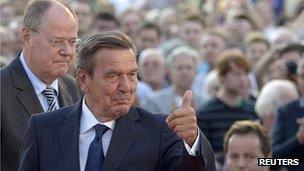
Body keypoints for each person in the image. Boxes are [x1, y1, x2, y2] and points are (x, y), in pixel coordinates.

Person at [18, 31, 216, 171]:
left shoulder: (159, 131)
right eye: (113, 76)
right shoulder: (43, 129)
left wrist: (192, 141)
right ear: (83, 79)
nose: (126, 86)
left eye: (132, 75)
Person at [0, 1, 81, 170]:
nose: (67, 51)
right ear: (27, 36)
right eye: (57, 41)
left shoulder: (75, 88)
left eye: (72, 42)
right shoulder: (2, 89)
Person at [143, 46, 205, 114]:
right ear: (169, 71)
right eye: (179, 68)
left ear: (196, 72)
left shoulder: (205, 103)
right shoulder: (154, 101)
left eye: (189, 68)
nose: (184, 72)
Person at [271, 59, 304, 171]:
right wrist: (298, 140)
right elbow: (269, 160)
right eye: (303, 76)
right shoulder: (286, 112)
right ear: (297, 79)